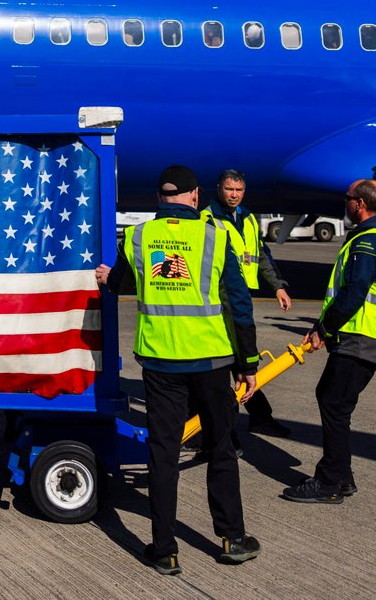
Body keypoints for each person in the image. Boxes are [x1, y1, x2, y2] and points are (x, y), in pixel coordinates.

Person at [95, 165, 261, 571]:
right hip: (210, 359)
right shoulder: (216, 235)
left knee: (163, 454)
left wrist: (106, 278)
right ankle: (232, 538)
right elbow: (239, 304)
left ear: (160, 197)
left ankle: (165, 549)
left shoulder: (138, 236)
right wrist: (248, 362)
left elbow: (118, 283)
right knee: (220, 448)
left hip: (160, 361)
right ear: (195, 195)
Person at [281, 179, 376, 504]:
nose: (344, 203)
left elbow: (354, 293)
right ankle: (341, 476)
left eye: (347, 198)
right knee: (335, 401)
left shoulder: (369, 241)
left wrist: (324, 329)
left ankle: (330, 481)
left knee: (333, 402)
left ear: (359, 204)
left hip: (362, 336)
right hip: (364, 336)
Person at [207, 170, 293, 438]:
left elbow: (262, 255)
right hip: (218, 298)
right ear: (219, 188)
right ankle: (217, 429)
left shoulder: (248, 218)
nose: (234, 195)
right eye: (229, 189)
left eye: (239, 190)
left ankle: (257, 418)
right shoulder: (207, 219)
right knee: (227, 364)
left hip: (241, 296)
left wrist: (277, 286)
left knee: (241, 360)